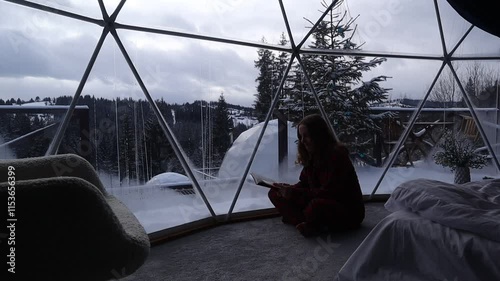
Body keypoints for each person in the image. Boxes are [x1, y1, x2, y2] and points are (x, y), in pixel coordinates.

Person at [268, 114, 365, 237]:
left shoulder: (337, 155)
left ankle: (304, 220)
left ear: (318, 135)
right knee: (274, 192)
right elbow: (304, 183)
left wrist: (294, 193)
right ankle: (308, 221)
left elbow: (329, 193)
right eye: (301, 136)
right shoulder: (312, 155)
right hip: (318, 199)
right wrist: (286, 189)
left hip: (345, 209)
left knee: (315, 206)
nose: (302, 141)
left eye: (306, 136)